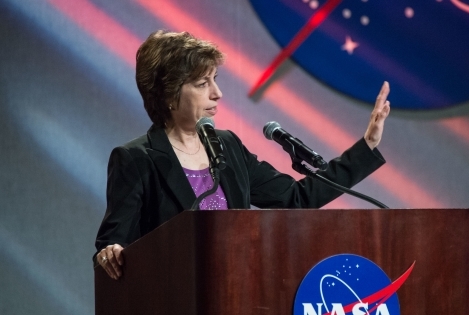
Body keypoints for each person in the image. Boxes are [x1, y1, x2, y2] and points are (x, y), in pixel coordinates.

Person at [94, 30, 391, 280]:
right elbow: (112, 247)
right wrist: (112, 253)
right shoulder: (136, 158)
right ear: (169, 95)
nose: (217, 92)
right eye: (202, 84)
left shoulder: (227, 146)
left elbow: (297, 198)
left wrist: (366, 147)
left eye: (215, 79)